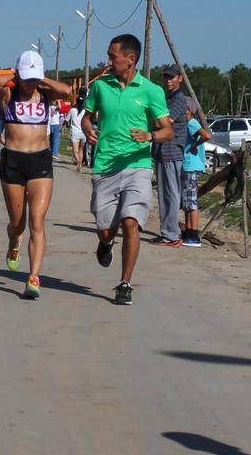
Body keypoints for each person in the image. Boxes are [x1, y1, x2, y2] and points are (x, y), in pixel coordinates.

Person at [82, 34, 172, 306]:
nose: (109, 61)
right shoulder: (101, 86)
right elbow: (86, 117)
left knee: (131, 222)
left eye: (113, 57)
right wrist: (88, 129)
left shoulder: (151, 91)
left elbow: (167, 130)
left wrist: (150, 136)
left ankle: (125, 284)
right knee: (106, 230)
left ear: (130, 59)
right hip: (105, 166)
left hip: (137, 166)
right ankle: (106, 243)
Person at [0, 51, 72, 299]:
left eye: (33, 78)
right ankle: (14, 241)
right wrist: (17, 75)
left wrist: (41, 79)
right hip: (13, 161)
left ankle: (34, 277)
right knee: (18, 223)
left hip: (40, 162)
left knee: (37, 221)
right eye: (26, 78)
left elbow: (67, 91)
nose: (30, 84)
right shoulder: (9, 94)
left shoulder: (45, 94)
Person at [152, 64, 190, 247]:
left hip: (172, 150)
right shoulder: (168, 97)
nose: (168, 80)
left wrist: (151, 119)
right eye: (166, 77)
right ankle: (167, 231)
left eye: (172, 77)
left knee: (171, 193)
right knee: (163, 194)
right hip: (162, 150)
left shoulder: (179, 98)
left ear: (180, 78)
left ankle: (172, 234)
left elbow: (164, 122)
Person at [181, 99, 211, 248]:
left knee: (191, 201)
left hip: (191, 165)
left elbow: (206, 135)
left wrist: (194, 145)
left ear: (189, 110)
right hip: (187, 165)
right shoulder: (187, 124)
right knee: (187, 201)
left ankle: (194, 235)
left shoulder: (191, 123)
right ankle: (188, 231)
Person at [67, 96, 87, 172]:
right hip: (83, 133)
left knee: (75, 150)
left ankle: (78, 163)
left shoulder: (72, 110)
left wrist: (63, 125)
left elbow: (67, 119)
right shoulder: (85, 111)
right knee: (81, 150)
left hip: (75, 133)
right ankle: (80, 165)